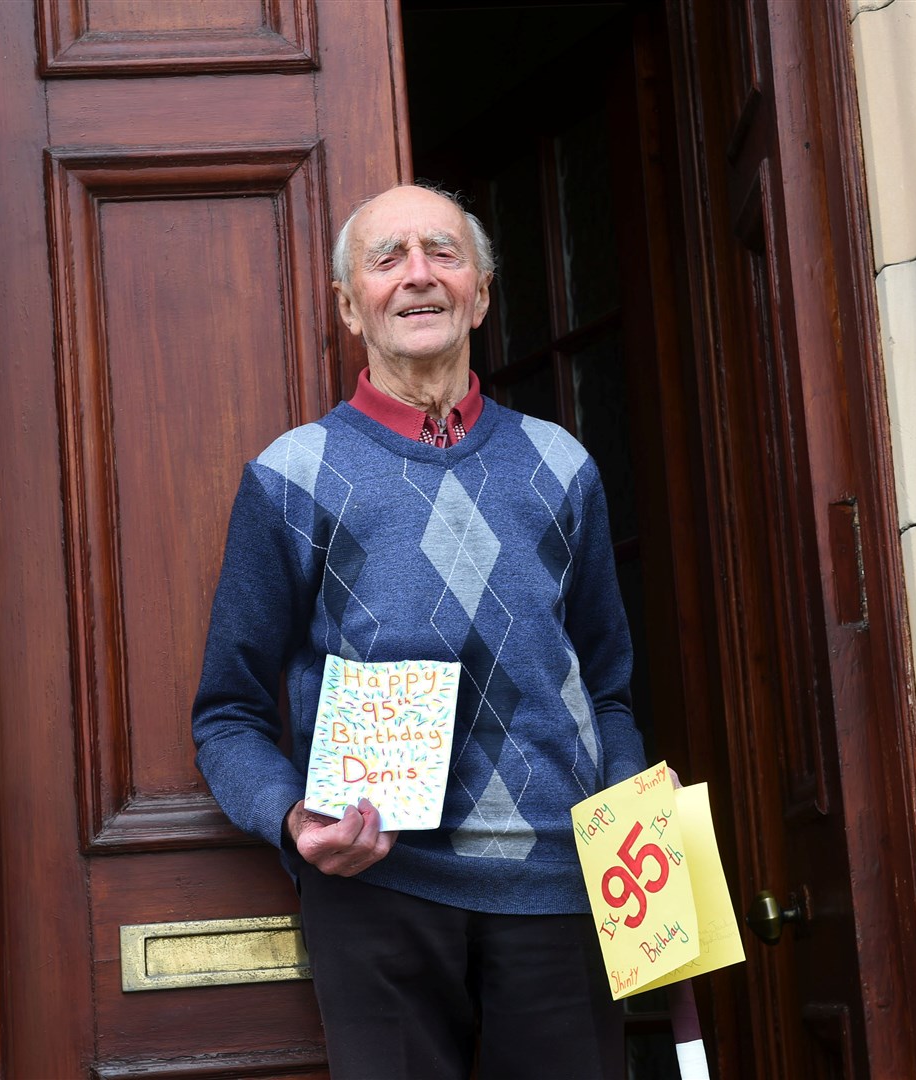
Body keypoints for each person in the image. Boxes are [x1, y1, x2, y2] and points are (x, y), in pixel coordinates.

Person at [192, 183, 647, 1079]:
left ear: (479, 291)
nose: (417, 277)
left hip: (560, 894)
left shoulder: (562, 464)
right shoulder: (293, 476)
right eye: (386, 258)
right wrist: (292, 819)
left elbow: (609, 689)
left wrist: (633, 850)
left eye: (441, 253)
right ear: (348, 306)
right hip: (379, 889)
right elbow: (227, 714)